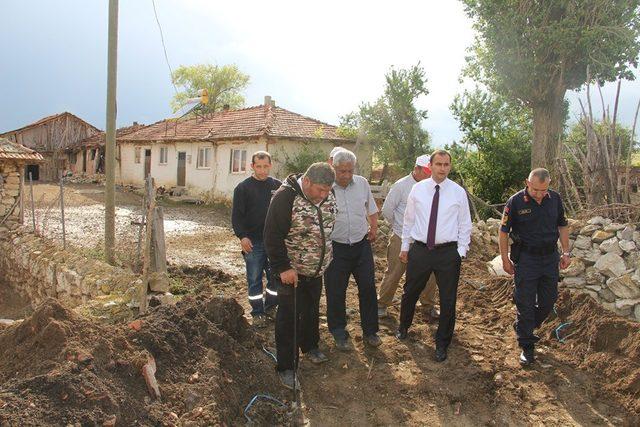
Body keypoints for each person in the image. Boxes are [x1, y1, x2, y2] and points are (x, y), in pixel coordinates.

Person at [264, 162, 337, 389]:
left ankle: (310, 346)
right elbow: (272, 235)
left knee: (312, 309)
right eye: (319, 190)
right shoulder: (285, 197)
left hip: (316, 269)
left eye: (327, 190)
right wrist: (283, 267)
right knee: (288, 318)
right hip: (291, 273)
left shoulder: (327, 193)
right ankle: (286, 367)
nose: (324, 195)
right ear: (306, 182)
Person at [395, 150, 472, 363]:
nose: (442, 168)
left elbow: (465, 223)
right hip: (420, 250)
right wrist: (405, 246)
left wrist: (460, 251)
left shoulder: (458, 192)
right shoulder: (418, 190)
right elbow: (408, 220)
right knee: (410, 291)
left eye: (446, 164)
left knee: (448, 300)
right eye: (438, 164)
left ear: (450, 166)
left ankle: (442, 343)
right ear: (430, 165)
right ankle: (403, 326)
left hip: (448, 253)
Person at [499, 168, 570, 366]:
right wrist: (505, 259)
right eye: (535, 190)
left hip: (549, 258)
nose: (539, 194)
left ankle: (525, 326)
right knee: (525, 303)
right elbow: (503, 232)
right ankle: (527, 347)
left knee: (549, 300)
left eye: (543, 190)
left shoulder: (555, 199)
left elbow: (562, 225)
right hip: (526, 259)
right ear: (527, 183)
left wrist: (566, 252)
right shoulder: (515, 202)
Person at [325, 149, 381, 351]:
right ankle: (339, 332)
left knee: (367, 288)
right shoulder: (325, 187)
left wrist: (373, 228)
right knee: (336, 291)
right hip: (335, 248)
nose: (346, 175)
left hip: (361, 246)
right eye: (342, 171)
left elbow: (371, 209)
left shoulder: (362, 183)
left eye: (350, 171)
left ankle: (370, 331)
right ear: (334, 167)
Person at [378, 154, 440, 320]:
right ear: (417, 169)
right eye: (426, 171)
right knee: (394, 272)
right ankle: (382, 304)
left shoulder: (433, 186)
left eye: (430, 171)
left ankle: (427, 305)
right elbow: (387, 211)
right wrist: (399, 226)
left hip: (425, 240)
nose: (429, 175)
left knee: (430, 274)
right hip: (401, 237)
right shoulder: (401, 186)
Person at [231, 151, 282, 327]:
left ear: (270, 165)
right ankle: (257, 312)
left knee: (275, 277)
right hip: (253, 242)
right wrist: (242, 237)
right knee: (254, 279)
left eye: (265, 166)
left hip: (274, 241)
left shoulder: (278, 186)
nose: (262, 170)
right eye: (258, 166)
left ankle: (270, 307)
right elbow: (237, 216)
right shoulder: (243, 188)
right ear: (252, 166)